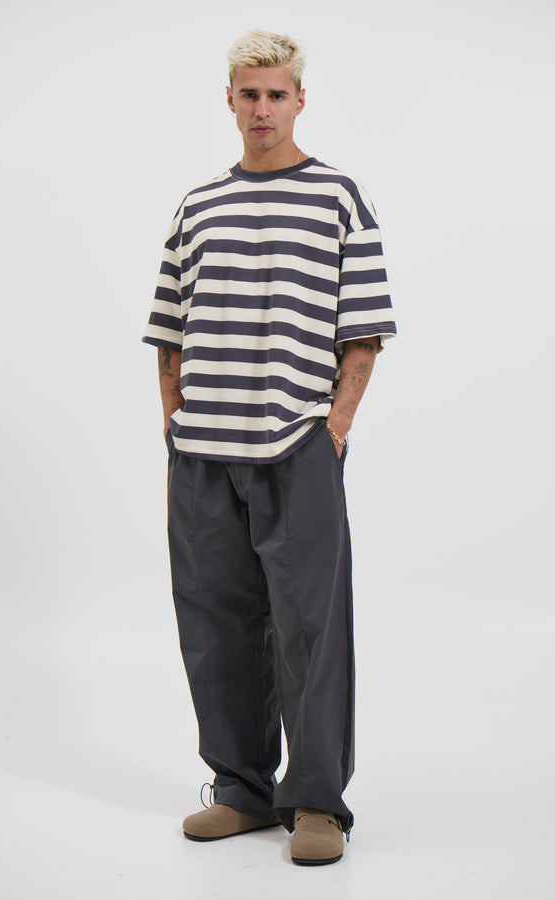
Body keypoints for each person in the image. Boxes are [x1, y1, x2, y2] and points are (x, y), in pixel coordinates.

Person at [142, 29, 396, 866]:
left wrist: (335, 427)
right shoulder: (197, 206)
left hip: (296, 445)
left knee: (310, 628)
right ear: (229, 100)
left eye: (276, 94)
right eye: (248, 94)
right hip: (203, 456)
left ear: (298, 100)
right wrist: (174, 418)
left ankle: (317, 802)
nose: (262, 108)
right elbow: (169, 328)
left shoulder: (338, 198)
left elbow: (363, 331)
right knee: (214, 623)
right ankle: (242, 789)